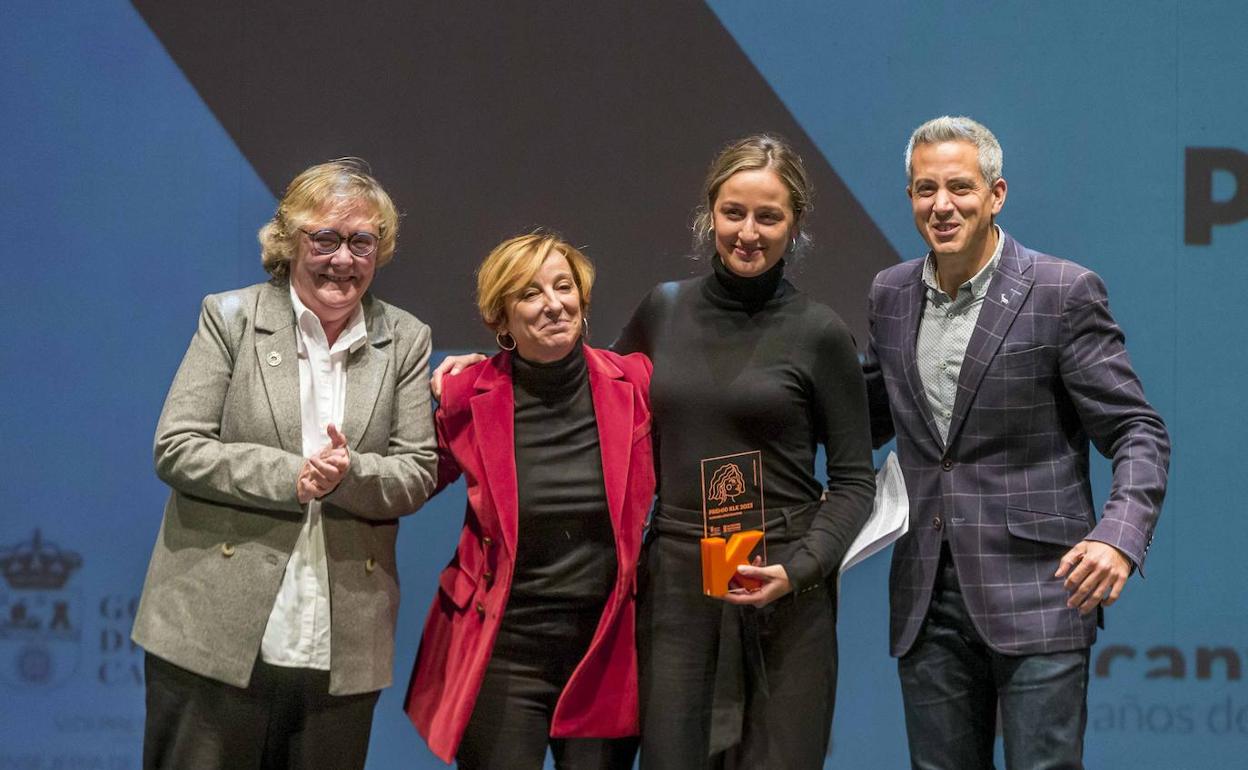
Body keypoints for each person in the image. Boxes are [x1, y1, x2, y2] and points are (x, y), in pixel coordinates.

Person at [432, 136, 875, 768]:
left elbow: (857, 481)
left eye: (769, 216)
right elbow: (586, 391)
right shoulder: (664, 310)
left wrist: (799, 570)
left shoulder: (821, 333)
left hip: (785, 589)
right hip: (676, 588)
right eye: (734, 212)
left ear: (794, 225)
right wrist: (484, 374)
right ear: (710, 215)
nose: (748, 232)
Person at [863, 116, 1171, 769]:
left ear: (996, 194)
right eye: (924, 189)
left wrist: (1118, 535)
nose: (941, 206)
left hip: (1040, 587)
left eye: (959, 188)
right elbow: (866, 415)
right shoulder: (889, 295)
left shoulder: (1061, 291)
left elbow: (1137, 429)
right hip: (927, 597)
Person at [132, 159, 438, 769]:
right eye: (324, 238)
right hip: (213, 633)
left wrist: (350, 476)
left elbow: (418, 470)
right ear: (288, 241)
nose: (342, 259)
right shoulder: (232, 318)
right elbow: (178, 444)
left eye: (361, 241)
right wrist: (291, 476)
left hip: (340, 642)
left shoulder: (405, 338)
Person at [404, 233, 653, 769]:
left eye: (564, 287)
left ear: (583, 302)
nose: (554, 303)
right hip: (503, 651)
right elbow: (406, 483)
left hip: (604, 648)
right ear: (502, 318)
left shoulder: (634, 384)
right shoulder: (467, 393)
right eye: (530, 293)